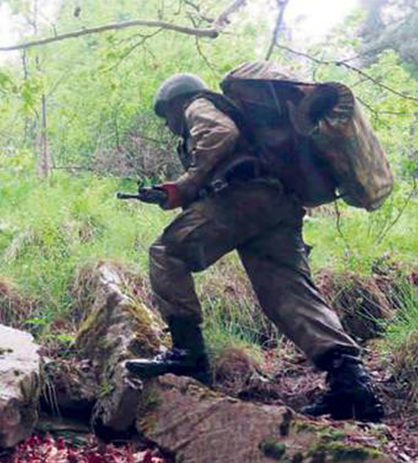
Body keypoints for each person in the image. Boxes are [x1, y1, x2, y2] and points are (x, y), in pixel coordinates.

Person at [124, 73, 384, 422]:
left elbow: (221, 135)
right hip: (276, 204)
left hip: (242, 199)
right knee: (290, 295)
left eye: (166, 115)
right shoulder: (233, 116)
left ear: (176, 101)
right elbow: (221, 158)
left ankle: (188, 353)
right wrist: (172, 192)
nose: (169, 125)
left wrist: (186, 181)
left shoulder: (198, 105)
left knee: (167, 253)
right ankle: (352, 384)